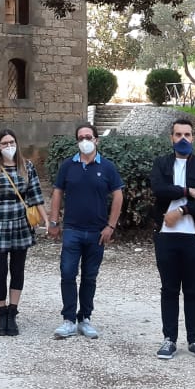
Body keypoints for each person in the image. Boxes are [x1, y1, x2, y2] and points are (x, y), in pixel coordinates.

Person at [148, 118, 195, 360]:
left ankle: (194, 339)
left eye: (187, 135)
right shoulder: (161, 164)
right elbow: (158, 189)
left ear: (193, 138)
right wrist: (187, 191)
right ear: (171, 138)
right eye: (178, 135)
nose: (183, 139)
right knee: (168, 289)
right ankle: (169, 339)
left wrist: (182, 210)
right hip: (166, 237)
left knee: (193, 289)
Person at [47, 122, 123, 340]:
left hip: (97, 232)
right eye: (81, 138)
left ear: (96, 140)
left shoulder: (107, 167)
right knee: (68, 273)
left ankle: (85, 318)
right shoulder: (67, 166)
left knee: (90, 276)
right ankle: (69, 319)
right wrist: (54, 221)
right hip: (72, 229)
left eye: (88, 137)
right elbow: (57, 192)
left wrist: (111, 226)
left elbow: (118, 195)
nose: (85, 141)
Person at [0, 129, 44, 336]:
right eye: (4, 143)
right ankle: (1, 311)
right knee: (0, 271)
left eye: (11, 142)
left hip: (21, 223)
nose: (8, 147)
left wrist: (47, 220)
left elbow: (35, 194)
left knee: (18, 269)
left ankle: (13, 312)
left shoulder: (27, 167)